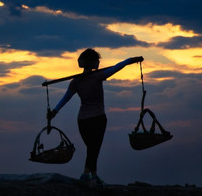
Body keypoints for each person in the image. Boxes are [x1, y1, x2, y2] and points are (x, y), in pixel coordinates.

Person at [47, 48, 143, 186]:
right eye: (97, 60)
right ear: (91, 63)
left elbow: (65, 98)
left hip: (83, 120)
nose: (99, 63)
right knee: (94, 148)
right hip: (98, 118)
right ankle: (86, 174)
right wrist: (131, 60)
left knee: (92, 148)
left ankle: (94, 176)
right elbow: (118, 67)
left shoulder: (76, 81)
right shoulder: (98, 76)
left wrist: (54, 111)